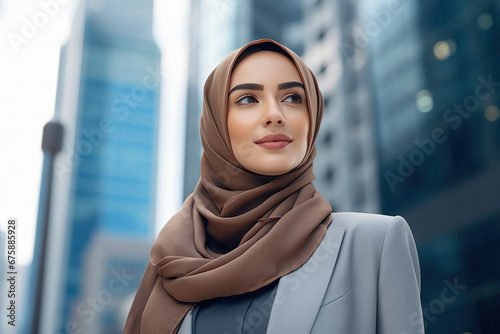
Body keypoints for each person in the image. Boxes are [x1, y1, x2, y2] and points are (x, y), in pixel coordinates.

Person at [123, 39, 424, 334]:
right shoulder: (172, 263)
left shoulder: (374, 243)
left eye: (293, 98)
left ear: (313, 116)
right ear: (216, 125)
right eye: (247, 99)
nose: (275, 115)